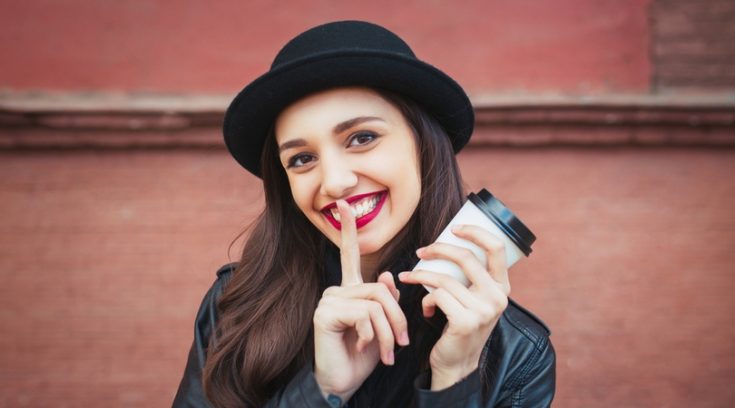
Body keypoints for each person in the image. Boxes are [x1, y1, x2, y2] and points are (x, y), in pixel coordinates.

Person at [173, 20, 555, 408]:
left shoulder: (520, 354)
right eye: (302, 159)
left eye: (362, 138)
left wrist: (453, 380)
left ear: (423, 145)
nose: (335, 182)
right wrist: (322, 389)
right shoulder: (237, 306)